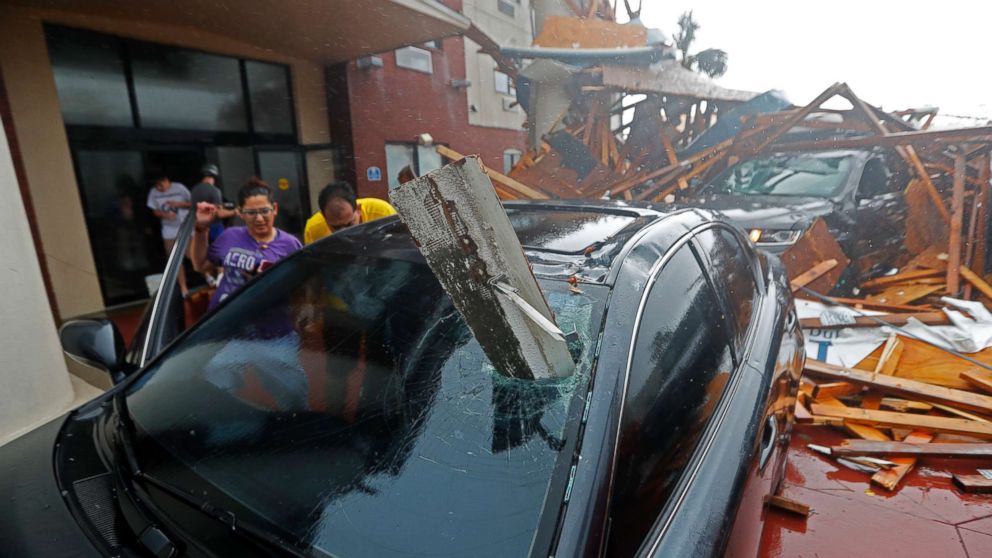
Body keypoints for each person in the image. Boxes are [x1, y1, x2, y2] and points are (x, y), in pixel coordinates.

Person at [190, 177, 302, 308]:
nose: (259, 219)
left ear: (275, 208)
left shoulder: (290, 244)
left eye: (264, 211)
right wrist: (201, 229)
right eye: (251, 213)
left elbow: (300, 286)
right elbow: (200, 265)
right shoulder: (229, 236)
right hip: (227, 319)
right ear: (240, 212)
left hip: (271, 321)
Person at [303, 181, 397, 244]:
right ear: (324, 217)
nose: (344, 233)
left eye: (349, 225)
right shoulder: (313, 229)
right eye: (336, 227)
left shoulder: (383, 213)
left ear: (358, 209)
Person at [147, 172, 191, 293]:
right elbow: (154, 211)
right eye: (156, 186)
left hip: (184, 226)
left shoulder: (179, 188)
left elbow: (193, 204)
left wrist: (179, 204)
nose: (159, 188)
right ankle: (183, 287)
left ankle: (209, 275)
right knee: (174, 259)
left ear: (167, 180)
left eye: (160, 185)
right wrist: (164, 215)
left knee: (190, 254)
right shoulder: (153, 192)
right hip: (168, 229)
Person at [190, 163, 236, 243]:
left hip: (199, 225)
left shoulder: (194, 189)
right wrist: (234, 212)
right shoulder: (214, 190)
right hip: (214, 226)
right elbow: (219, 213)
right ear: (215, 177)